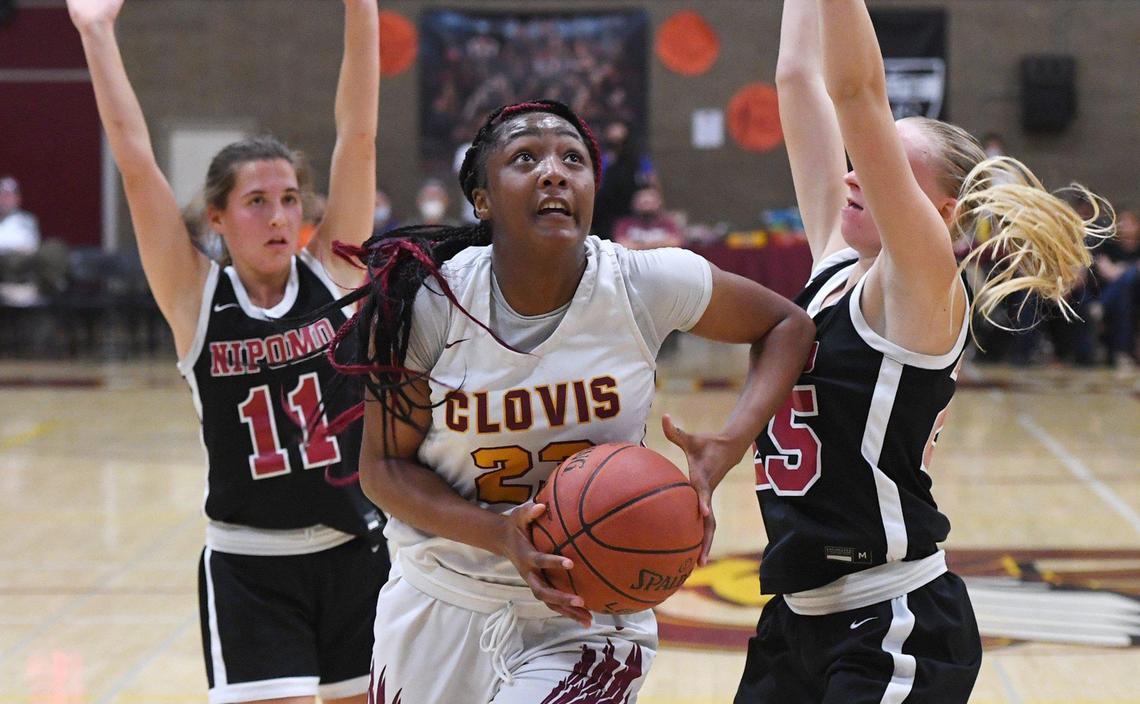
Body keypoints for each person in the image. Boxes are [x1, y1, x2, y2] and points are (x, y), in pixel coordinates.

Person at [323, 99, 814, 703]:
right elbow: (384, 470)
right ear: (482, 200)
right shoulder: (427, 305)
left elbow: (786, 325)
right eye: (525, 157)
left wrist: (728, 445)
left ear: (591, 189)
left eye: (573, 160)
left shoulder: (643, 283)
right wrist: (501, 534)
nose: (554, 172)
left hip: (591, 613)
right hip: (444, 596)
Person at [719, 2, 1108, 702]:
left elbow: (854, 92)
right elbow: (797, 78)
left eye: (885, 166)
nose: (855, 171)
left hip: (888, 625)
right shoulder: (836, 265)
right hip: (796, 621)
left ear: (942, 214)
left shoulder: (920, 285)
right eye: (863, 158)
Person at [66, 1, 387, 703]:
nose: (278, 216)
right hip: (251, 566)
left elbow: (357, 134)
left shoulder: (335, 273)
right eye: (256, 202)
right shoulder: (194, 297)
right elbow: (134, 162)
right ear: (217, 217)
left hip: (356, 554)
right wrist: (95, 33)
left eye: (289, 199)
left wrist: (362, 7)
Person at [612, 185, 687, 250]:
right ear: (634, 204)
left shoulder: (668, 222)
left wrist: (639, 245)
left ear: (659, 203)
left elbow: (676, 243)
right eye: (643, 203)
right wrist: (660, 244)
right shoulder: (624, 224)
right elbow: (621, 245)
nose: (646, 206)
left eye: (649, 202)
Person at [0, 176, 41, 256]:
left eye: (8, 196)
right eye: (1, 195)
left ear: (17, 199)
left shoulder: (26, 220)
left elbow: (28, 246)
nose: (4, 200)